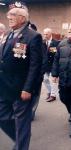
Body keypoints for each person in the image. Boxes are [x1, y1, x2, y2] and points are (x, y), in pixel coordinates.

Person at [0, 2, 43, 150]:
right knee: (2, 116)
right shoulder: (7, 34)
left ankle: (21, 144)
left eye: (13, 15)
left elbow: (35, 66)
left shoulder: (33, 37)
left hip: (21, 88)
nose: (9, 17)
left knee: (21, 122)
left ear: (23, 18)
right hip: (4, 86)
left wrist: (28, 88)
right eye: (8, 15)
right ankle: (20, 138)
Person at [43, 28, 59, 102]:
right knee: (45, 79)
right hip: (45, 65)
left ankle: (53, 95)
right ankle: (49, 92)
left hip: (53, 64)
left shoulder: (55, 43)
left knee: (52, 80)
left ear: (50, 34)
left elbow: (55, 54)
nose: (45, 35)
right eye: (44, 34)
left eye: (46, 34)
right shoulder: (43, 42)